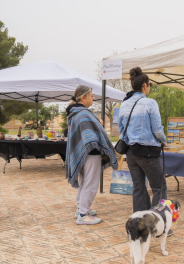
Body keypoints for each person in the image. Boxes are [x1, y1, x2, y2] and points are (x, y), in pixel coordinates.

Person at [118, 67, 172, 235]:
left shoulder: (124, 104)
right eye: (149, 85)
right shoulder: (150, 103)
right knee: (159, 186)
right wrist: (163, 140)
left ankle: (141, 225)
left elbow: (120, 128)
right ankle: (158, 225)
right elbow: (157, 129)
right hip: (147, 151)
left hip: (131, 152)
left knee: (138, 187)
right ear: (145, 86)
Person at [65, 85, 118, 225]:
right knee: (91, 183)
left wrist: (96, 122)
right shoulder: (83, 113)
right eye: (91, 96)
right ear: (83, 97)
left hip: (83, 153)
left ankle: (80, 209)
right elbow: (92, 133)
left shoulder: (76, 112)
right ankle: (83, 214)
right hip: (91, 153)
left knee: (83, 182)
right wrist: (98, 124)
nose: (93, 98)